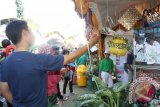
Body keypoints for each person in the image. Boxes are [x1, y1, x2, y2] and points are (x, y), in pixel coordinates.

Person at [0, 20, 99, 107]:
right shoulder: (38, 60)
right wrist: (91, 42)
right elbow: (69, 58)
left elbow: (4, 90)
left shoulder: (4, 63)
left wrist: (18, 104)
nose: (33, 34)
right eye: (31, 31)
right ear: (25, 33)